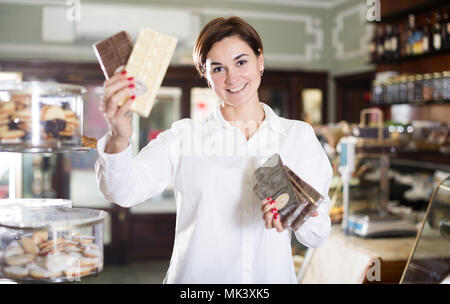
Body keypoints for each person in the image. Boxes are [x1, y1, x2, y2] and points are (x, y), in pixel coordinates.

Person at [95, 16, 333, 284]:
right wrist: (119, 135)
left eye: (241, 62)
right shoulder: (184, 136)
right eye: (218, 68)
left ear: (260, 61)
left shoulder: (297, 136)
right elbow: (122, 190)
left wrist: (295, 209)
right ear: (206, 76)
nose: (232, 77)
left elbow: (318, 234)